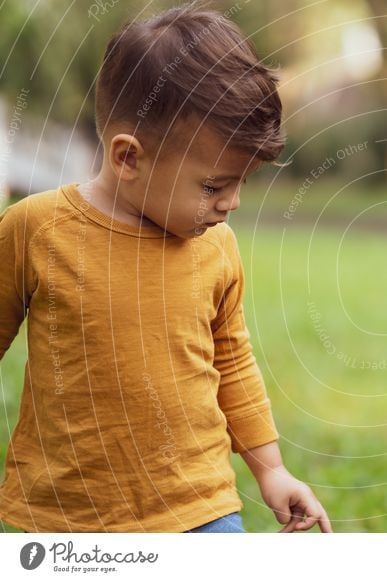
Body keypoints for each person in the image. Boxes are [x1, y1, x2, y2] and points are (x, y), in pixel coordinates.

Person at [0, 1, 332, 533]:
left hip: (201, 510)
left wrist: (272, 471)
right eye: (214, 185)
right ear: (129, 158)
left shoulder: (216, 247)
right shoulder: (36, 230)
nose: (232, 203)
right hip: (71, 521)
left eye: (241, 183)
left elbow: (232, 361)